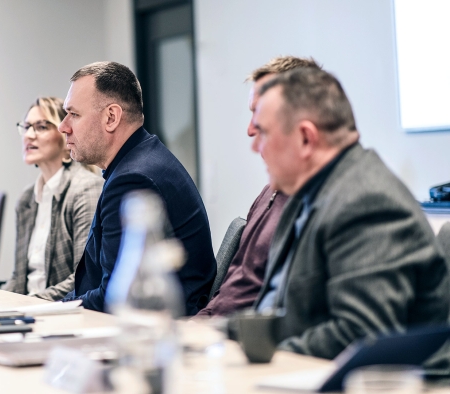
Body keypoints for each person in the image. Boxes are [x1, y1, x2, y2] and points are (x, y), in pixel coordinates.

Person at [250, 67, 449, 359]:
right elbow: (281, 314)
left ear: (306, 138)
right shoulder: (304, 197)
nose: (256, 146)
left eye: (264, 132)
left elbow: (361, 335)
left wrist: (267, 357)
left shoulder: (367, 201)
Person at [59, 61, 217, 315]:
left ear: (111, 117)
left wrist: (52, 312)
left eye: (74, 114)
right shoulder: (141, 160)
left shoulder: (133, 179)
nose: (63, 127)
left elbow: (114, 297)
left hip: (155, 331)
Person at [196, 56, 322, 317]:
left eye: (260, 116)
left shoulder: (321, 205)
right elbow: (235, 289)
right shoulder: (269, 192)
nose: (250, 131)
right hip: (216, 330)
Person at [3, 97, 104, 301]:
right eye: (27, 126)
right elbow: (18, 277)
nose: (29, 135)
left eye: (41, 127)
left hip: (60, 313)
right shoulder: (26, 200)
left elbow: (83, 279)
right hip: (28, 311)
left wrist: (28, 305)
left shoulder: (85, 190)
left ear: (66, 137)